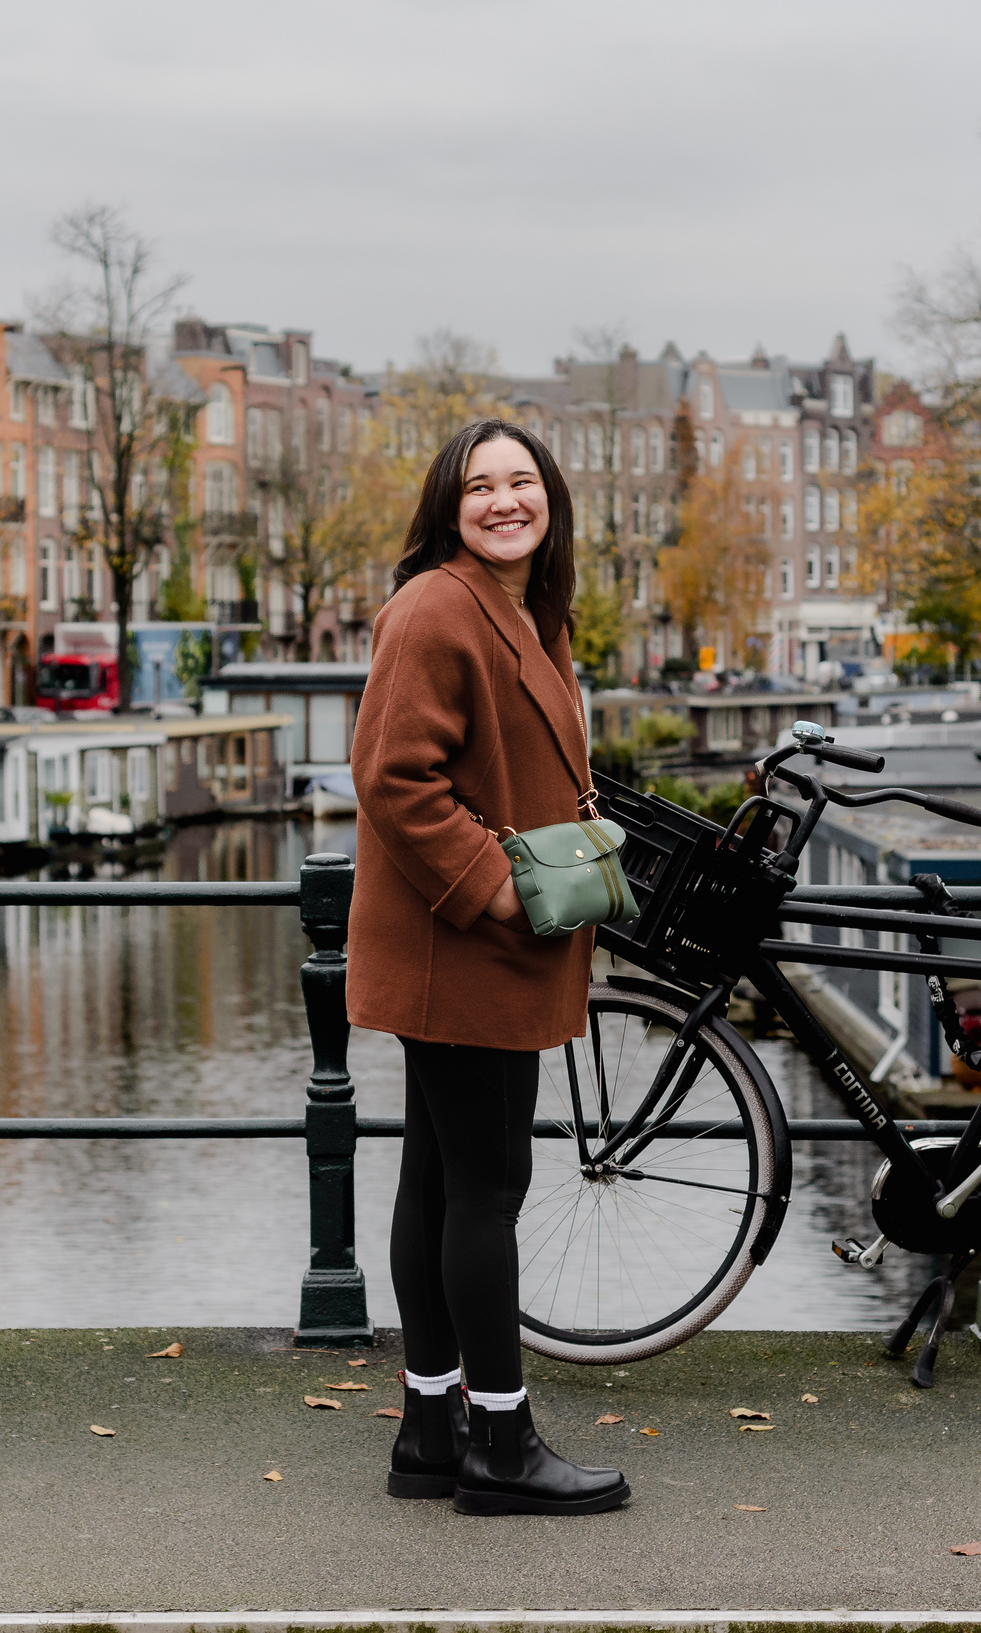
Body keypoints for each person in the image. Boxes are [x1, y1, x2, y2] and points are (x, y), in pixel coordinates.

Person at [347, 418, 629, 1518]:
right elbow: (392, 775)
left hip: (468, 945)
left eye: (522, 481)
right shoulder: (435, 607)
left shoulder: (523, 607)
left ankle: (430, 1426)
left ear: (550, 494)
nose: (505, 500)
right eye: (481, 486)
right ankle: (501, 1442)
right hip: (464, 942)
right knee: (488, 1190)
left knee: (438, 1179)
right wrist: (498, 886)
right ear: (447, 504)